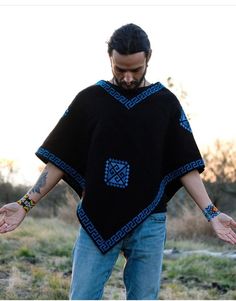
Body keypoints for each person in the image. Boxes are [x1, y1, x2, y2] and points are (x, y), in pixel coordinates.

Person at [0, 23, 236, 300]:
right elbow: (59, 159)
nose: (126, 78)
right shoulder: (90, 100)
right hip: (96, 217)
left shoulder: (165, 104)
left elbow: (186, 166)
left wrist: (211, 213)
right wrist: (25, 204)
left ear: (149, 57)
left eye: (135, 70)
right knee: (82, 296)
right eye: (119, 68)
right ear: (109, 58)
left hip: (150, 220)